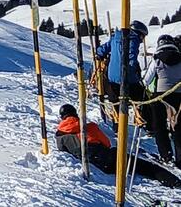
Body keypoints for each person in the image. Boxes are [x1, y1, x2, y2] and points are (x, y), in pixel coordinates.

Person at [55, 104, 181, 188]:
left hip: (93, 163)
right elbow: (107, 143)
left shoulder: (60, 135)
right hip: (106, 156)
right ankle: (174, 182)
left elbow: (63, 152)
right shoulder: (89, 126)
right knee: (145, 167)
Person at [145, 35, 181, 166]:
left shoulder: (156, 60)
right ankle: (180, 158)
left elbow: (146, 80)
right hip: (178, 96)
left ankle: (166, 155)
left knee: (159, 125)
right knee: (178, 127)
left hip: (160, 96)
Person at [96, 20, 149, 106]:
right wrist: (136, 72)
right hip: (125, 78)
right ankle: (143, 116)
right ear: (138, 33)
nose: (142, 40)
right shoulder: (133, 40)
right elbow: (132, 59)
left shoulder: (115, 37)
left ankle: (117, 116)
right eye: (143, 37)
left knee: (117, 103)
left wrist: (99, 55)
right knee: (142, 98)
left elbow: (102, 50)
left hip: (112, 78)